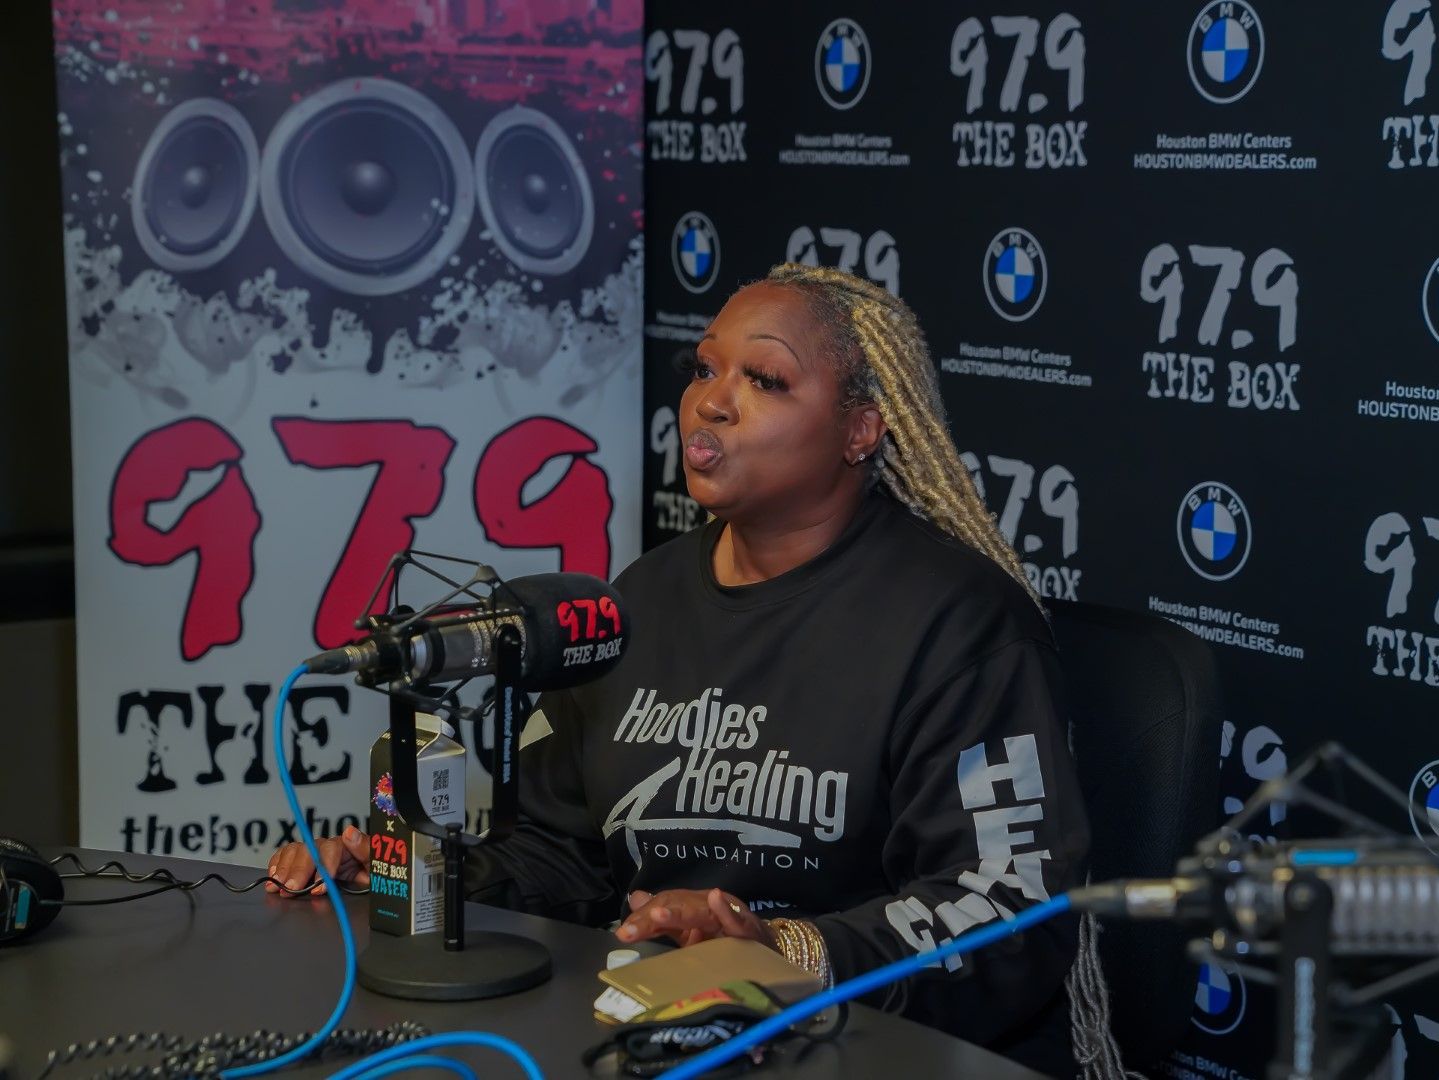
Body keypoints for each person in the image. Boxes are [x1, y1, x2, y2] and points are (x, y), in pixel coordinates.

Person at [266, 264, 1092, 1075]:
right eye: (704, 368)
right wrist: (409, 874)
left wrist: (784, 950)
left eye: (764, 379)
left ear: (860, 431)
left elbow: (1006, 912)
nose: (711, 400)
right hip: (661, 1038)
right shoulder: (636, 600)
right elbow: (567, 856)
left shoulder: (958, 623)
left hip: (868, 1046)